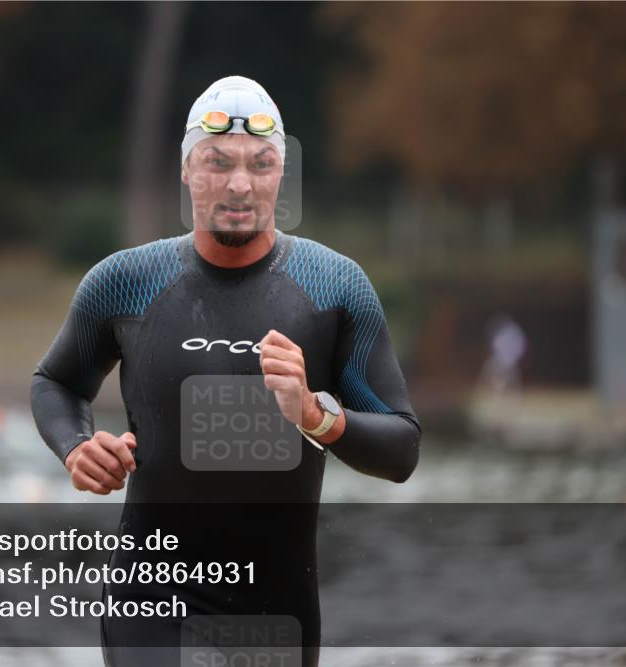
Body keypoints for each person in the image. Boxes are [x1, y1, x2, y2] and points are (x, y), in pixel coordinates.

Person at [31, 75, 420, 666]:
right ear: (187, 169)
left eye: (260, 164)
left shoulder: (334, 288)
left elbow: (401, 450)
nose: (239, 184)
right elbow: (55, 383)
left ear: (280, 176)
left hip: (276, 614)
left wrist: (317, 415)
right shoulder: (124, 283)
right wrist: (76, 447)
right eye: (218, 162)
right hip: (150, 603)